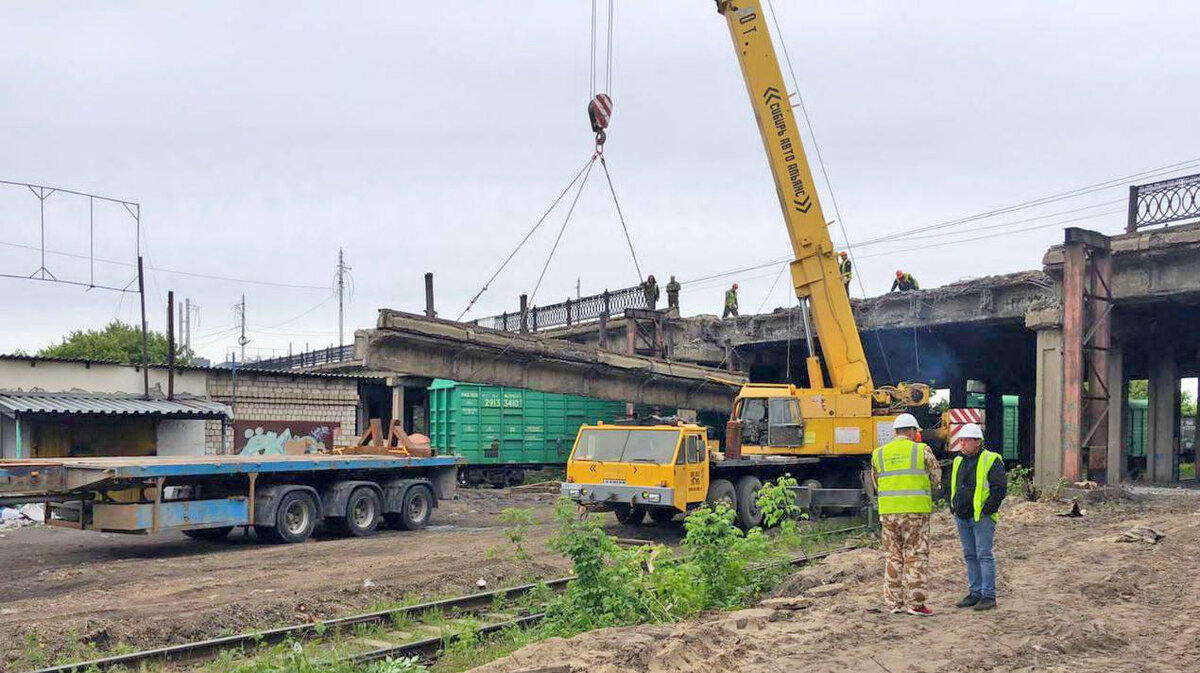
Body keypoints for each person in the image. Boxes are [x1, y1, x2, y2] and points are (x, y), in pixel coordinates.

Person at [872, 413, 941, 616]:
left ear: (895, 432)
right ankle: (916, 604)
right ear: (913, 431)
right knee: (915, 555)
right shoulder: (921, 450)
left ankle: (894, 604)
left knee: (893, 556)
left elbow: (876, 483)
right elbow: (936, 477)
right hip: (915, 512)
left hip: (888, 512)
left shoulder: (879, 453)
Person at [948, 422, 1007, 611]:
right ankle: (975, 593)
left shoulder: (991, 459)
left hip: (981, 517)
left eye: (966, 441)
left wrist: (987, 510)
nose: (962, 444)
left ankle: (988, 596)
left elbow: (999, 488)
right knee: (970, 555)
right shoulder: (958, 461)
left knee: (984, 555)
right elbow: (955, 485)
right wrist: (953, 505)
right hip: (963, 515)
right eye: (961, 441)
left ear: (977, 442)